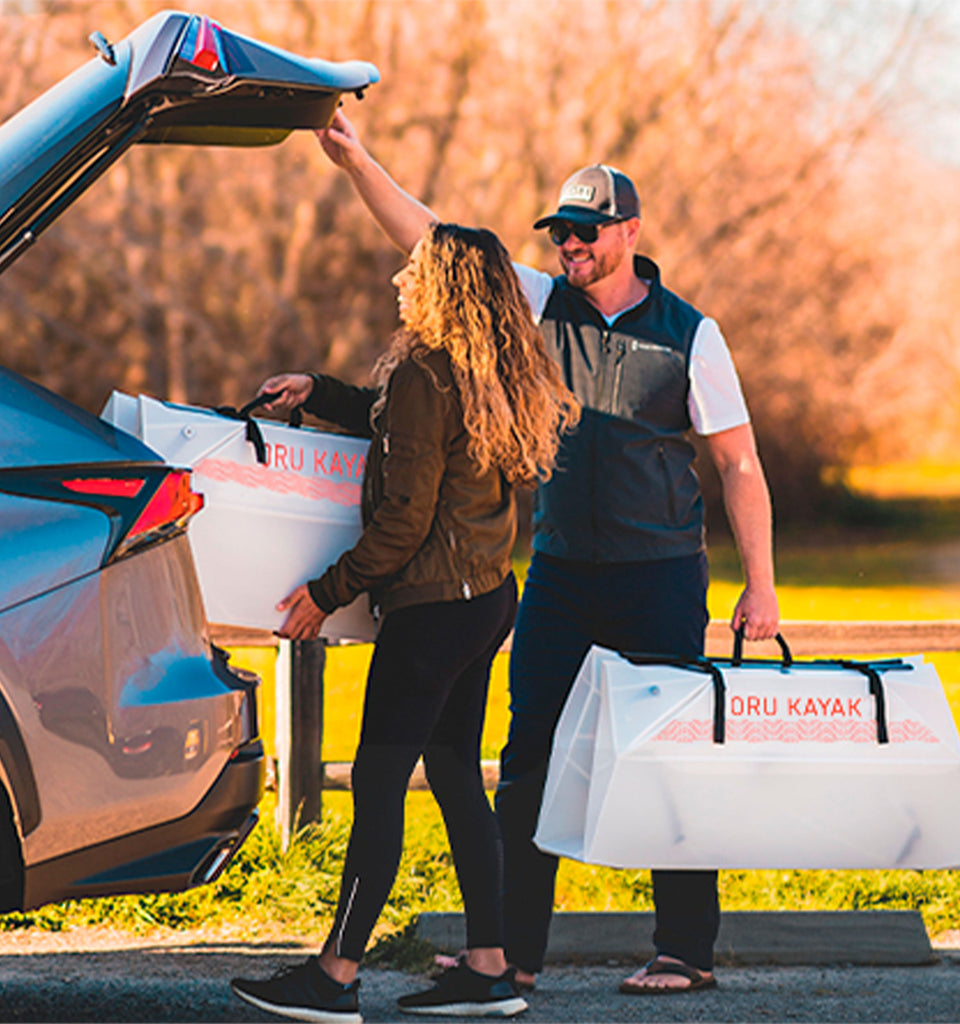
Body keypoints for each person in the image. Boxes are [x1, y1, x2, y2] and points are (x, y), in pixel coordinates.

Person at [314, 109, 780, 996]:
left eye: (587, 232)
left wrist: (761, 587)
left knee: (668, 755)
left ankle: (684, 949)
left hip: (661, 577)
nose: (570, 244)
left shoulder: (693, 335)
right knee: (528, 756)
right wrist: (355, 161)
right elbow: (431, 242)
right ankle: (512, 953)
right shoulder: (534, 305)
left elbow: (738, 463)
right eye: (561, 231)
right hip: (560, 573)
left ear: (630, 234)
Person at [230, 222, 579, 1022]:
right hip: (486, 599)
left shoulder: (429, 371)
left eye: (413, 270)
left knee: (381, 782)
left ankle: (337, 974)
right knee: (457, 775)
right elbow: (401, 432)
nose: (399, 280)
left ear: (443, 286)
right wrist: (320, 393)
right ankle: (489, 966)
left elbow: (402, 521)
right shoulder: (485, 370)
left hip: (433, 614)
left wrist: (327, 591)